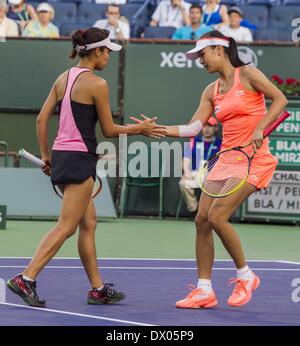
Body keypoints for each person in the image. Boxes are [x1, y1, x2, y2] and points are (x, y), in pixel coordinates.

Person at [6, 27, 166, 308]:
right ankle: (26, 278)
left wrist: (47, 155)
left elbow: (41, 120)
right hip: (79, 158)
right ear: (97, 51)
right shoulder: (97, 84)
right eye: (108, 52)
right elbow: (109, 129)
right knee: (66, 226)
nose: (109, 58)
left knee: (88, 223)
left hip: (62, 154)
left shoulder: (62, 78)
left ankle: (97, 289)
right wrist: (140, 129)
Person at [130, 30, 287, 308]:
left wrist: (261, 127)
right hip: (226, 160)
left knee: (217, 217)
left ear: (218, 49)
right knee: (202, 219)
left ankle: (246, 276)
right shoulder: (210, 90)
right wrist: (160, 130)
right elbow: (193, 127)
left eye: (202, 54)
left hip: (254, 159)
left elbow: (280, 100)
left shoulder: (248, 74)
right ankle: (204, 290)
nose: (199, 60)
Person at [179, 117, 221, 216]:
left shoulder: (221, 143)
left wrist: (212, 174)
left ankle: (208, 212)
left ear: (215, 128)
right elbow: (186, 159)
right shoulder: (194, 141)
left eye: (210, 126)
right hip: (195, 173)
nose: (206, 129)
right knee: (184, 183)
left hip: (211, 174)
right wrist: (187, 173)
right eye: (204, 126)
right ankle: (194, 210)